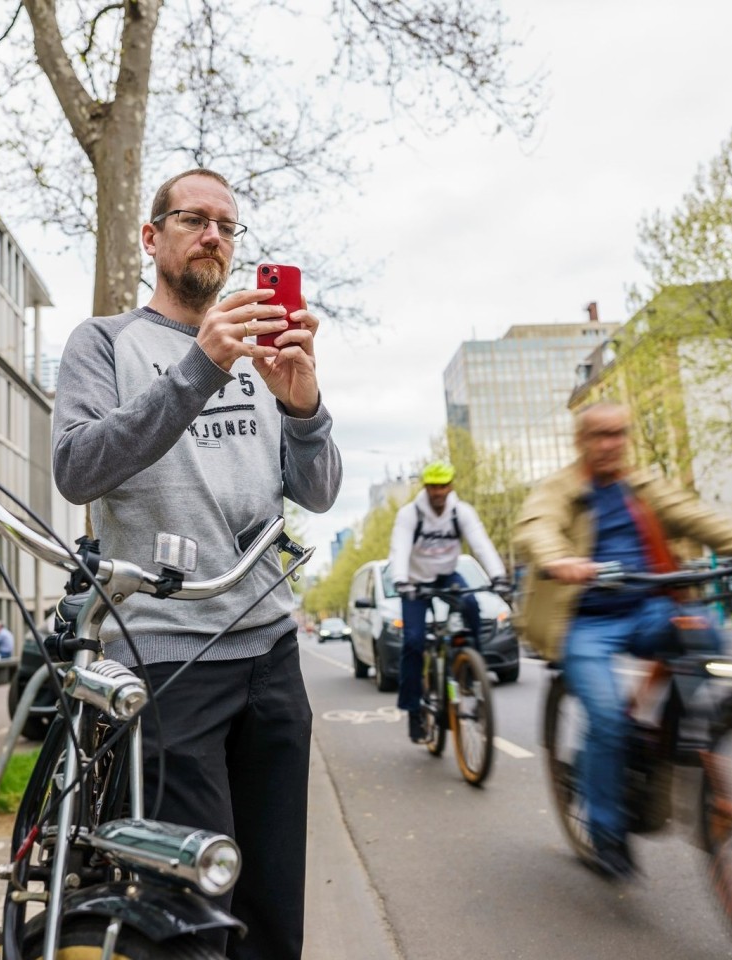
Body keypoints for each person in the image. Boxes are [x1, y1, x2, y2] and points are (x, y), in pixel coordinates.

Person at [52, 168, 342, 959]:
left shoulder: (258, 353)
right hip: (169, 656)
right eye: (194, 219)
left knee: (274, 901)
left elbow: (316, 492)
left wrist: (305, 406)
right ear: (153, 238)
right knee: (192, 907)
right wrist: (200, 369)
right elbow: (78, 468)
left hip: (272, 653)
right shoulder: (103, 342)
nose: (213, 235)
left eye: (227, 225)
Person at [513, 402, 732, 880]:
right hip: (585, 620)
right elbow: (536, 526)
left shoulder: (642, 487)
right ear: (580, 440)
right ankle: (607, 830)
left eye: (618, 434)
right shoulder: (562, 489)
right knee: (606, 719)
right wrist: (560, 559)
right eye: (600, 435)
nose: (610, 444)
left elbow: (697, 517)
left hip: (648, 608)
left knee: (706, 636)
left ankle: (677, 738)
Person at [387, 460, 510, 743]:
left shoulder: (461, 512)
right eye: (433, 486)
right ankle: (414, 711)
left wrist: (498, 576)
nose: (439, 491)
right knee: (414, 642)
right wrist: (401, 580)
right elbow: (400, 548)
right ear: (426, 487)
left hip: (446, 575)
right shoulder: (410, 514)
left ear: (451, 485)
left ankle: (470, 666)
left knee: (471, 605)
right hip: (415, 581)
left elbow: (481, 543)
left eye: (443, 486)